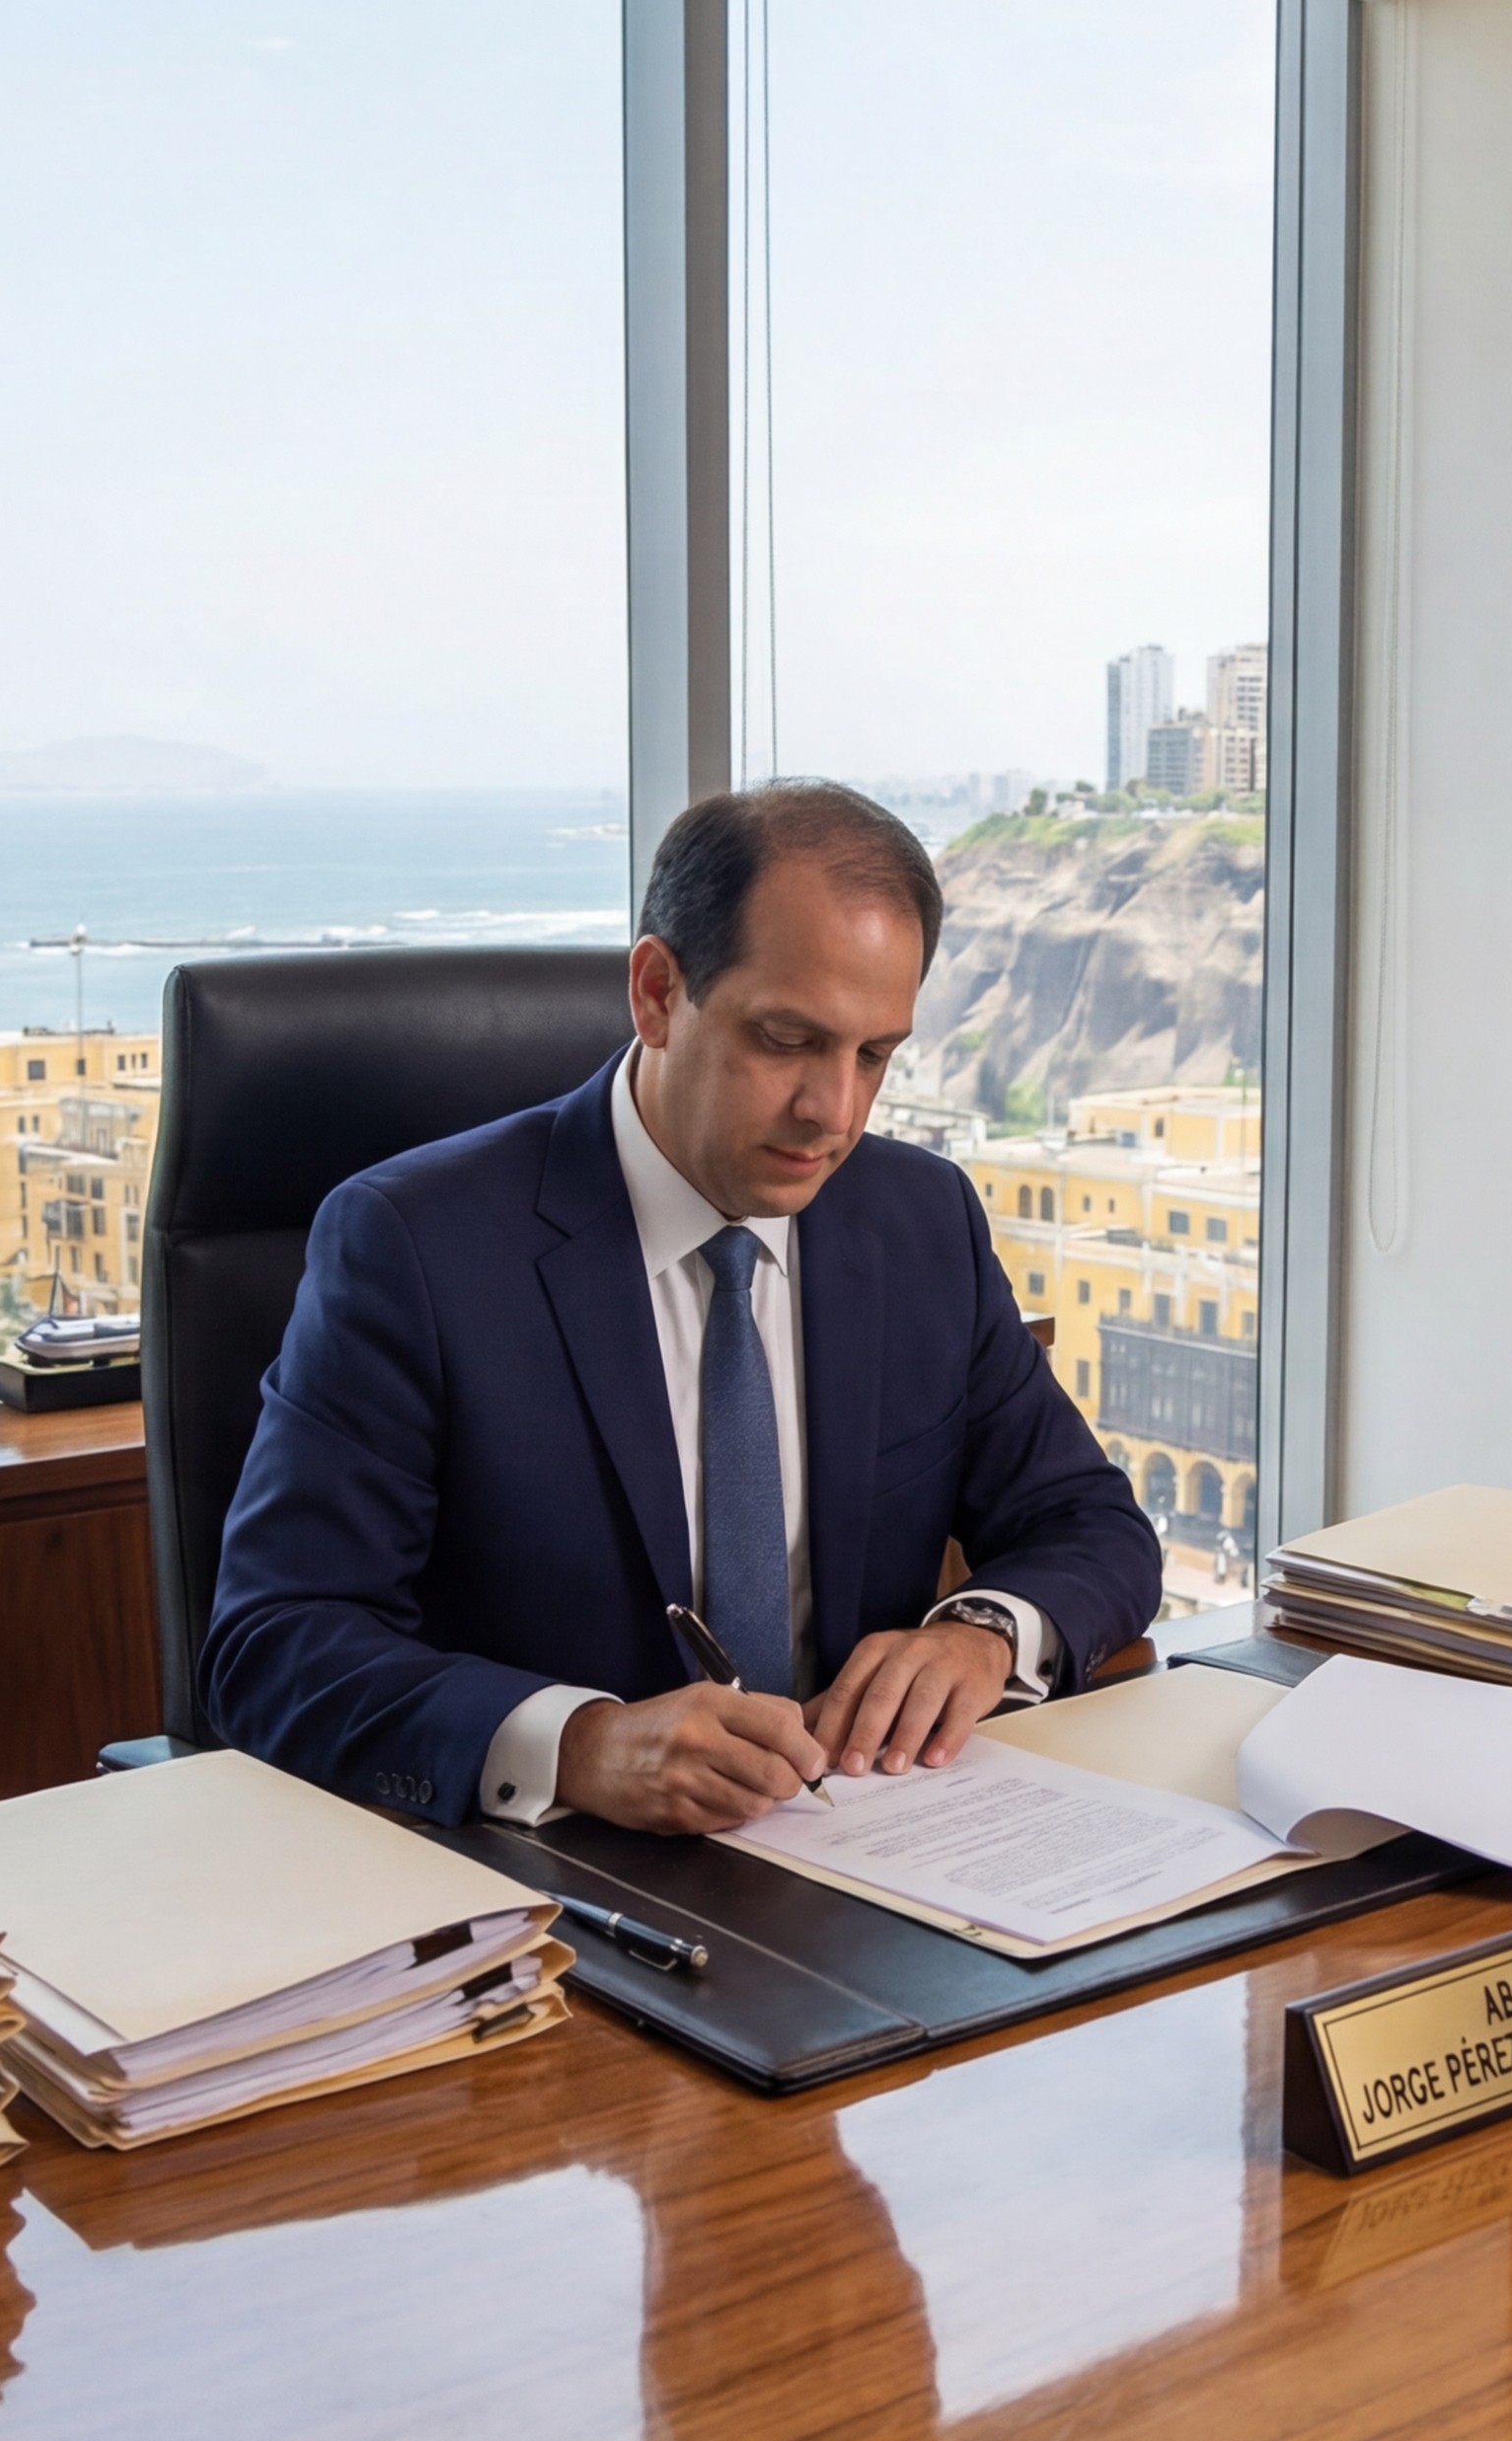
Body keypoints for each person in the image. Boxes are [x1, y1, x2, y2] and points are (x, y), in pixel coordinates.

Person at [204, 782, 1165, 1837]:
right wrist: (576, 1745)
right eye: (786, 1040)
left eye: (873, 1055)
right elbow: (276, 1644)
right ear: (657, 992)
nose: (832, 1112)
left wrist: (982, 1633)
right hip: (563, 1895)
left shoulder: (917, 1220)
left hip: (868, 1853)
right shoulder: (412, 1246)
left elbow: (1091, 1526)